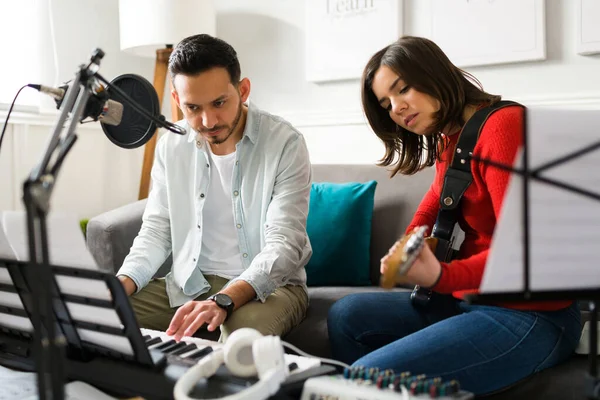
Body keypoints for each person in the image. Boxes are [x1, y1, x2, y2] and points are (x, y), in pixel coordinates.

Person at [327, 36, 582, 395]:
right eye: (387, 104)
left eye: (403, 90)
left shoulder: (503, 128)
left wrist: (442, 275)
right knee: (346, 314)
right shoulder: (455, 136)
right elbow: (437, 197)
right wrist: (410, 243)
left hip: (532, 316)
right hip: (471, 301)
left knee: (368, 374)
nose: (397, 108)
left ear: (434, 74)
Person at [116, 34, 312, 342]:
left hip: (271, 289)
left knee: (237, 341)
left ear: (243, 90)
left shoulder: (285, 143)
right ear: (177, 101)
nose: (208, 121)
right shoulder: (171, 146)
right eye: (193, 107)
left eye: (219, 103)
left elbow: (284, 245)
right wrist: (120, 284)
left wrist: (225, 298)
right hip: (191, 283)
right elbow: (157, 230)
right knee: (102, 318)